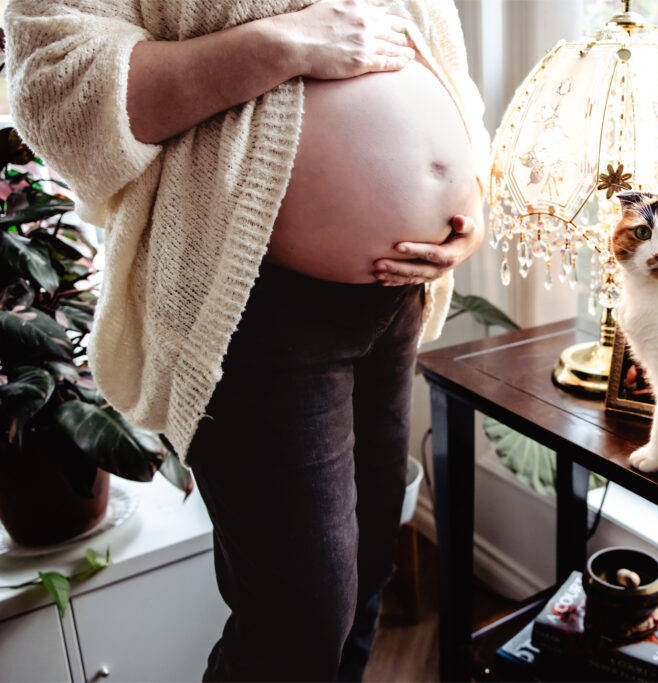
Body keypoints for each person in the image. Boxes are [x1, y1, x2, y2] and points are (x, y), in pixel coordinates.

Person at [3, 0, 489, 680]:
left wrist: (471, 204)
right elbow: (55, 87)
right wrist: (281, 45)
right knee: (299, 618)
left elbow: (438, 56)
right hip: (251, 311)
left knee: (367, 567)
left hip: (396, 299)